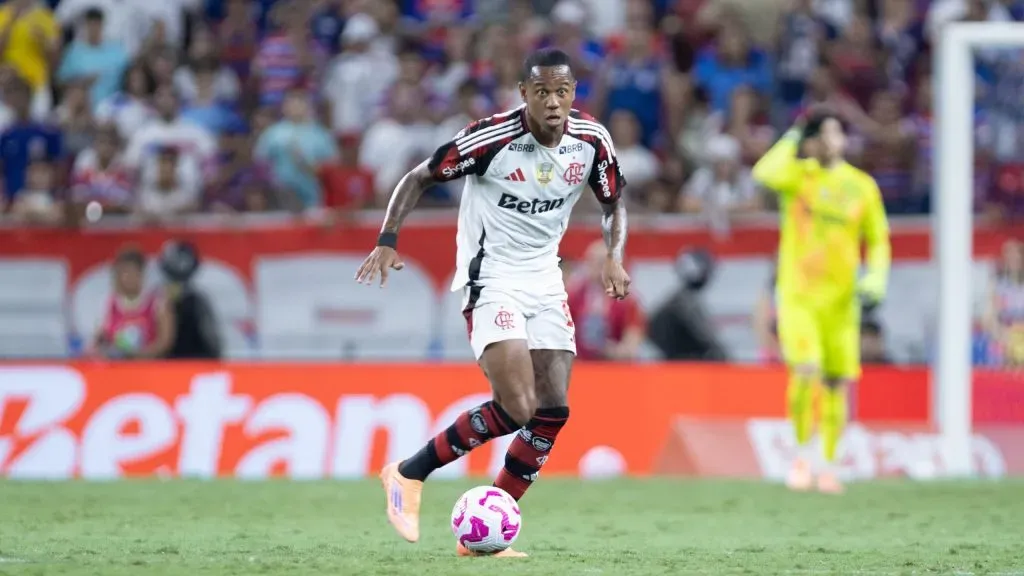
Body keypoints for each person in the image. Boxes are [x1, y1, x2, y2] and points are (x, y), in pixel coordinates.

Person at [355, 48, 629, 557]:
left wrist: (613, 257)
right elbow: (418, 176)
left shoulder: (592, 140)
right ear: (524, 93)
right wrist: (388, 238)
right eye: (542, 92)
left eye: (562, 92)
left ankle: (489, 531)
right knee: (518, 406)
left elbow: (613, 205)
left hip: (546, 280)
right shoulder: (491, 139)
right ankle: (408, 473)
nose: (553, 102)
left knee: (551, 411)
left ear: (573, 93)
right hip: (492, 278)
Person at [752, 110, 891, 494]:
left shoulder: (861, 186)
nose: (830, 140)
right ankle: (800, 457)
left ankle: (828, 466)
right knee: (805, 370)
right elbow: (763, 172)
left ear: (844, 140)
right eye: (822, 134)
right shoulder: (799, 176)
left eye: (835, 133)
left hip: (842, 303)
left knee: (834, 383)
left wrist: (877, 276)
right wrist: (796, 133)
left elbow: (878, 238)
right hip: (799, 296)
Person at [90, 246, 175, 360]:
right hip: (117, 366)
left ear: (141, 274)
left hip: (148, 365)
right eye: (122, 273)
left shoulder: (158, 302)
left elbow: (165, 342)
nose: (126, 278)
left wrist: (138, 357)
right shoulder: (110, 303)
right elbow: (99, 337)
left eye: (131, 272)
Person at [158, 240, 222, 360]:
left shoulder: (198, 301)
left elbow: (212, 342)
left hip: (198, 362)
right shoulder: (161, 301)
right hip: (169, 365)